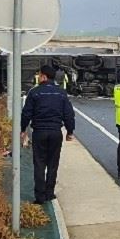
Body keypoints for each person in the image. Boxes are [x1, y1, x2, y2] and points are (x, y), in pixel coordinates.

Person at [21, 65, 75, 205]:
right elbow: (69, 114)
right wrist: (70, 131)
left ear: (44, 76)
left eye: (39, 75)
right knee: (53, 163)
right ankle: (49, 193)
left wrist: (23, 129)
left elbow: (26, 113)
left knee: (39, 163)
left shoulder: (35, 92)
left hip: (39, 132)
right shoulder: (61, 93)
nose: (38, 77)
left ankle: (40, 196)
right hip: (55, 132)